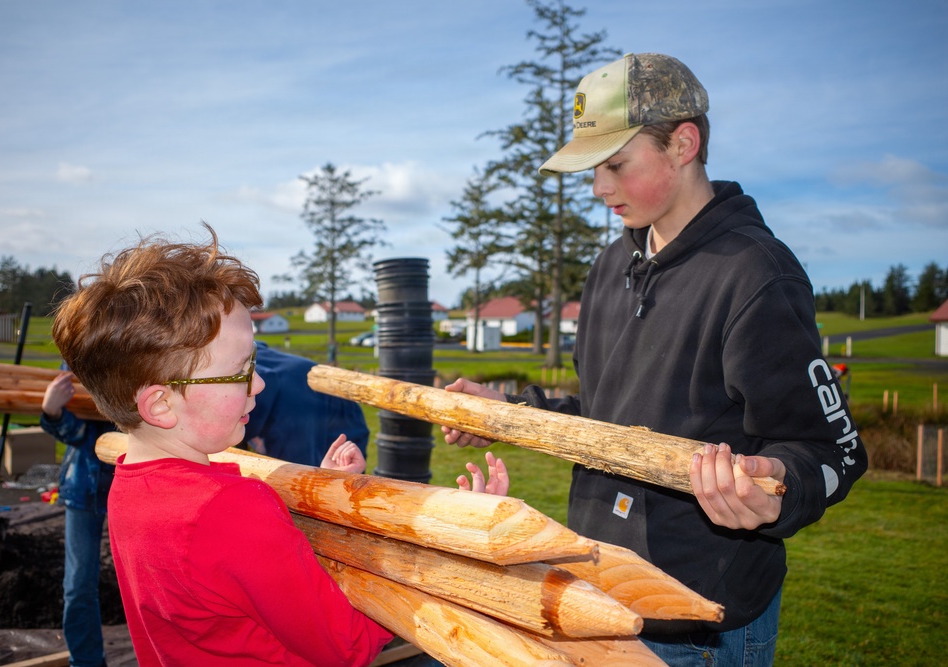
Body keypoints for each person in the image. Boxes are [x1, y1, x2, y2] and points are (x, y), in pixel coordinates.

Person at [442, 52, 867, 666]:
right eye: (595, 168)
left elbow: (835, 451)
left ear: (683, 144)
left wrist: (779, 495)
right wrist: (507, 410)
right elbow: (604, 414)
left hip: (698, 621)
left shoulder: (755, 275)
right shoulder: (611, 266)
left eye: (617, 164)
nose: (599, 188)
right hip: (599, 592)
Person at [50, 225, 393, 666]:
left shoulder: (129, 482)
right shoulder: (229, 508)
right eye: (239, 372)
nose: (261, 382)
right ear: (160, 403)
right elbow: (347, 645)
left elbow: (237, 575)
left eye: (255, 362)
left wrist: (321, 497)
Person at [40, 369, 118, 667]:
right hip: (83, 485)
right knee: (78, 585)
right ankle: (85, 662)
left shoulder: (138, 351)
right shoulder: (76, 359)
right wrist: (52, 410)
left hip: (132, 485)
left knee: (147, 585)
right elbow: (79, 434)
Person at [243, 341, 370, 466]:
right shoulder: (235, 352)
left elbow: (296, 477)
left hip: (314, 408)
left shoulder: (287, 417)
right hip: (297, 388)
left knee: (303, 475)